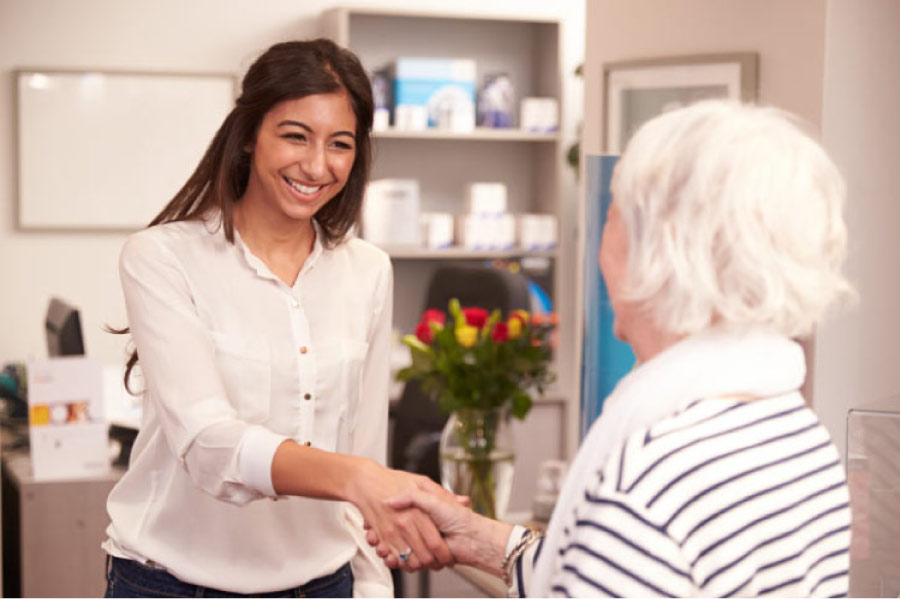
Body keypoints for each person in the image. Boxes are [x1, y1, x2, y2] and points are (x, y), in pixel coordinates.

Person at [367, 100, 855, 597]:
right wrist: (474, 536)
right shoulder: (801, 437)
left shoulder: (645, 482)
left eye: (614, 215)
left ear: (660, 250)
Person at [103, 39, 457, 598]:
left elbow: (363, 445)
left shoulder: (368, 270)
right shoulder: (162, 257)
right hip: (171, 583)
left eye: (340, 144)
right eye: (295, 135)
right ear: (248, 136)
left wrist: (371, 586)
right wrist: (356, 479)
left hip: (324, 582)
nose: (317, 166)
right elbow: (207, 443)